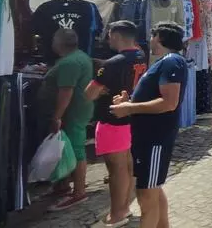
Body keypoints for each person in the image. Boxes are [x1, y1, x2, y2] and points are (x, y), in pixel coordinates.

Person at [109, 22, 188, 228]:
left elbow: (169, 102)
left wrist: (130, 108)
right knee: (153, 189)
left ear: (160, 37)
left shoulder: (171, 63)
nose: (149, 40)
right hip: (149, 138)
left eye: (152, 36)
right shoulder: (166, 62)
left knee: (146, 195)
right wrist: (130, 101)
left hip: (155, 139)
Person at [85, 21, 146, 227]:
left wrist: (102, 85)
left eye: (109, 34)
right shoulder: (140, 55)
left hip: (112, 119)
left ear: (115, 35)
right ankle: (124, 208)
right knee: (126, 165)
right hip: (131, 117)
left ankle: (117, 214)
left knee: (116, 169)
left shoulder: (111, 63)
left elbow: (89, 94)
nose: (107, 38)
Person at [46, 28, 94, 212]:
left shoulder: (69, 62)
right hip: (79, 109)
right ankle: (63, 185)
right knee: (66, 147)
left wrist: (56, 116)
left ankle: (79, 192)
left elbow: (66, 91)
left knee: (76, 149)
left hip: (72, 112)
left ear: (58, 43)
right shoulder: (80, 56)